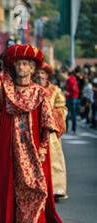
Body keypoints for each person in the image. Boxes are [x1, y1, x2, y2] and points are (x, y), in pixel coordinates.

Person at [0, 45, 83, 223]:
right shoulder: (5, 92)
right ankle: (18, 222)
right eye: (19, 64)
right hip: (9, 147)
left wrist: (43, 148)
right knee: (13, 184)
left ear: (32, 69)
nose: (22, 67)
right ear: (14, 68)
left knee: (35, 184)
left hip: (32, 148)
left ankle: (32, 221)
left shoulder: (40, 93)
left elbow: (48, 124)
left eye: (26, 64)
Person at [34, 63, 68, 199]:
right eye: (38, 73)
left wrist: (51, 115)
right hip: (35, 128)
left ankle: (57, 189)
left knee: (55, 159)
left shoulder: (55, 90)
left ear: (47, 75)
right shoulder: (31, 89)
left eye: (43, 73)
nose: (40, 76)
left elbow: (62, 108)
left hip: (51, 130)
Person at [65, 70, 79, 135]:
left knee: (72, 115)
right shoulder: (69, 80)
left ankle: (73, 130)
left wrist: (68, 93)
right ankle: (66, 129)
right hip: (69, 98)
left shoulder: (71, 80)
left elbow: (75, 90)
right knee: (67, 114)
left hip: (72, 98)